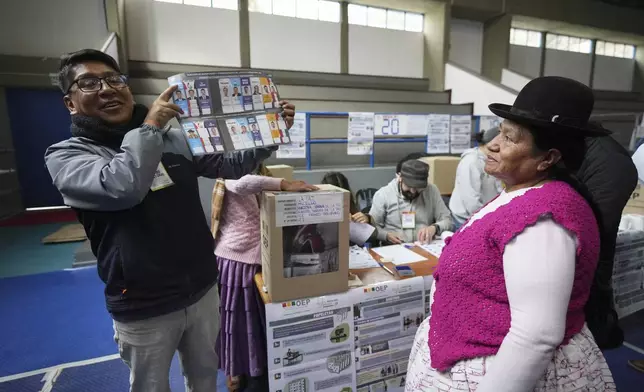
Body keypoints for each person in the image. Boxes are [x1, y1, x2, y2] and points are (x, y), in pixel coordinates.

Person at [44, 49, 297, 392]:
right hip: (143, 301)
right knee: (151, 386)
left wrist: (269, 135)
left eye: (114, 79)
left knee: (206, 377)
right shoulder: (68, 155)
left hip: (203, 288)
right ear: (70, 103)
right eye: (89, 83)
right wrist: (150, 127)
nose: (107, 89)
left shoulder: (170, 139)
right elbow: (122, 187)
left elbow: (230, 166)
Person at [405, 76, 615, 392]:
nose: (493, 144)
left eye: (510, 138)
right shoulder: (521, 193)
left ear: (548, 158)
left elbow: (536, 335)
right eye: (500, 132)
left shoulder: (545, 218)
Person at [215, 166, 317, 391]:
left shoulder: (263, 172)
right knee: (240, 324)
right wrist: (285, 184)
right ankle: (239, 373)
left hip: (260, 258)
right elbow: (242, 183)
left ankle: (254, 371)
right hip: (239, 260)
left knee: (257, 324)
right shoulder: (229, 168)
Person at [576, 131, 638, 349]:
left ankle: (599, 330)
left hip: (604, 189)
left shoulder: (608, 162)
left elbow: (596, 231)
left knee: (595, 261)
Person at [370, 160, 452, 244]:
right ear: (400, 178)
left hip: (423, 246)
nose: (413, 191)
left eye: (418, 188)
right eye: (409, 186)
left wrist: (434, 228)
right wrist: (386, 235)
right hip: (394, 247)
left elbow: (448, 221)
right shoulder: (383, 195)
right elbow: (372, 227)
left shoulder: (431, 191)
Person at [449, 127, 503, 229]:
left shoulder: (491, 160)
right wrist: (485, 220)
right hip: (467, 219)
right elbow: (471, 200)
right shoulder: (471, 162)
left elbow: (498, 187)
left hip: (485, 215)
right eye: (496, 148)